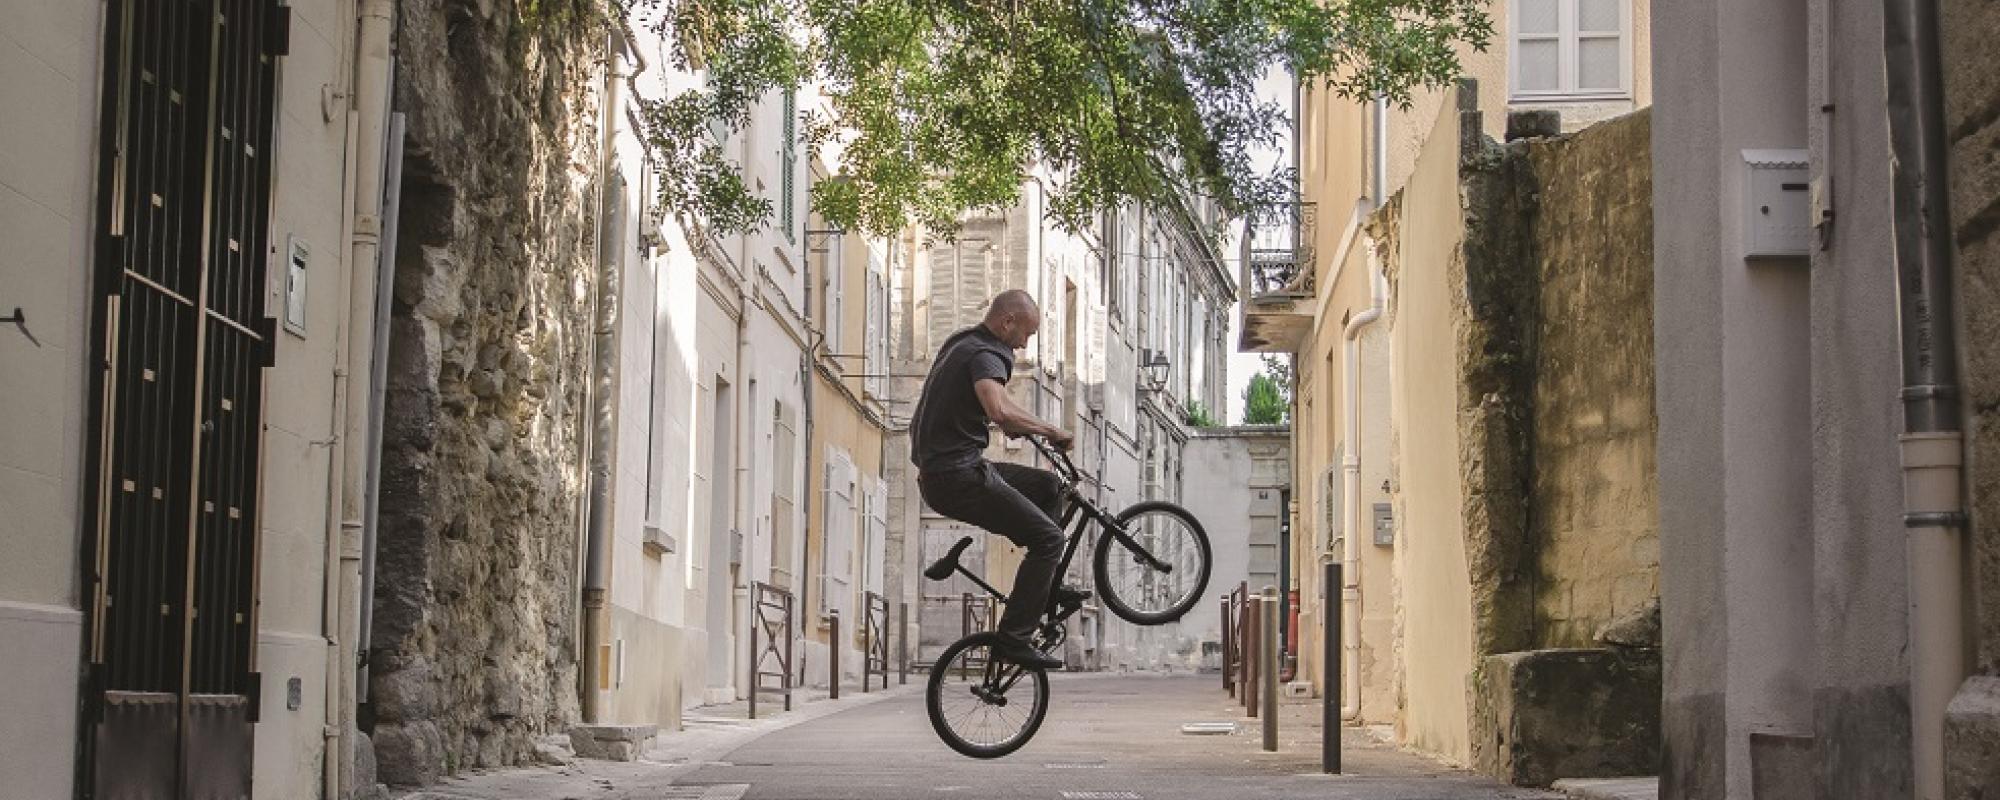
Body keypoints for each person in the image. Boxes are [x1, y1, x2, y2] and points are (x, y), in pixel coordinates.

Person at [911, 289, 1089, 669]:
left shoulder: (963, 342)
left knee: (1048, 487)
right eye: (1026, 334)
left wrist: (1021, 425)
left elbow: (998, 410)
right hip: (957, 477)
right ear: (1007, 322)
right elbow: (999, 410)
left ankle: (1044, 590)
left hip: (950, 470)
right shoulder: (986, 354)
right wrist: (1048, 430)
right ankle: (1014, 639)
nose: (1025, 345)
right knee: (1049, 538)